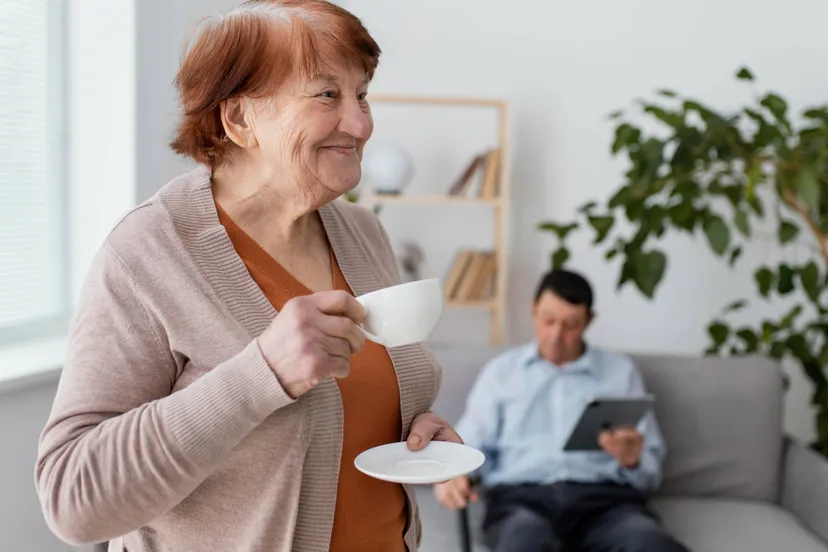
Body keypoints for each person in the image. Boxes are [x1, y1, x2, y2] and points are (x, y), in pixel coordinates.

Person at [34, 2, 461, 551]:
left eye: (362, 95)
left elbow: (343, 420)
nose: (361, 123)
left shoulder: (362, 234)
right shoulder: (146, 253)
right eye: (327, 94)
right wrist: (262, 373)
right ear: (239, 119)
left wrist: (416, 437)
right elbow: (73, 498)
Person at [435, 269, 690, 552]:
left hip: (608, 504)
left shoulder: (620, 372)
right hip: (522, 501)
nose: (556, 335)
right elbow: (469, 444)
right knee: (522, 542)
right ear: (533, 310)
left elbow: (651, 473)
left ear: (589, 320)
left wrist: (633, 461)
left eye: (571, 324)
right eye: (548, 320)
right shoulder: (502, 373)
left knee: (650, 544)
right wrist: (456, 474)